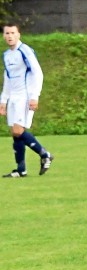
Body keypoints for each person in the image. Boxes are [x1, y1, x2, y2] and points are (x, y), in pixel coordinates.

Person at [1, 23, 53, 177]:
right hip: (13, 97)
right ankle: (21, 170)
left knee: (18, 130)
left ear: (18, 34)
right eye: (7, 33)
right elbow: (8, 79)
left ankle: (45, 154)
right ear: (4, 36)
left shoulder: (25, 51)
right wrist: (3, 100)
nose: (9, 36)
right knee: (15, 133)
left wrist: (34, 96)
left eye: (12, 33)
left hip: (25, 95)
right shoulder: (6, 55)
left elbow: (38, 73)